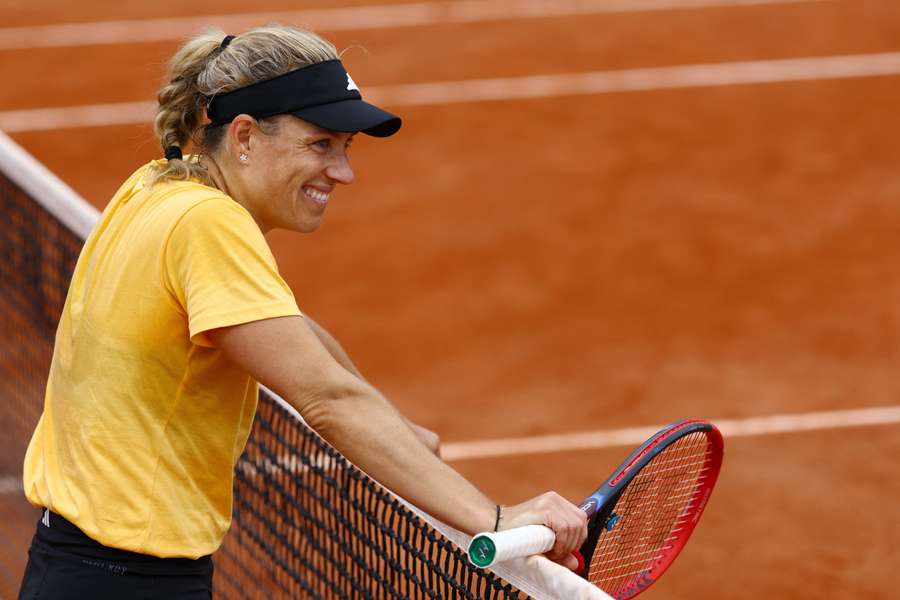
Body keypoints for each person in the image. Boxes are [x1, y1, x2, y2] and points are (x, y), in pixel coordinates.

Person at [18, 25, 587, 599]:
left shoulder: (155, 187)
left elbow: (291, 332)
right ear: (244, 136)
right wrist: (492, 520)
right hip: (129, 582)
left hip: (72, 566)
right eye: (321, 145)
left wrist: (398, 429)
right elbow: (327, 400)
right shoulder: (209, 225)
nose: (343, 172)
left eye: (346, 149)